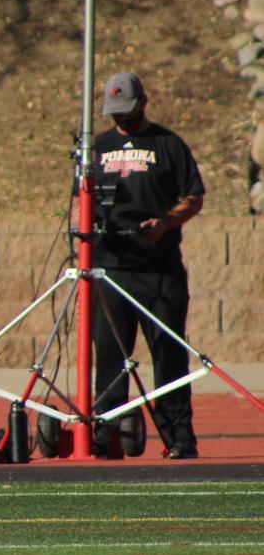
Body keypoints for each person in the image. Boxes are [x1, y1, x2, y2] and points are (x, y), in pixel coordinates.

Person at [83, 71, 205, 458]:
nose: (121, 118)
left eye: (128, 110)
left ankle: (178, 437)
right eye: (114, 112)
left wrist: (165, 223)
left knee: (168, 355)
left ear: (144, 101)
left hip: (160, 269)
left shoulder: (168, 144)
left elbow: (194, 196)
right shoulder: (98, 147)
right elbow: (78, 200)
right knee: (109, 356)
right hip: (111, 268)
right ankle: (107, 433)